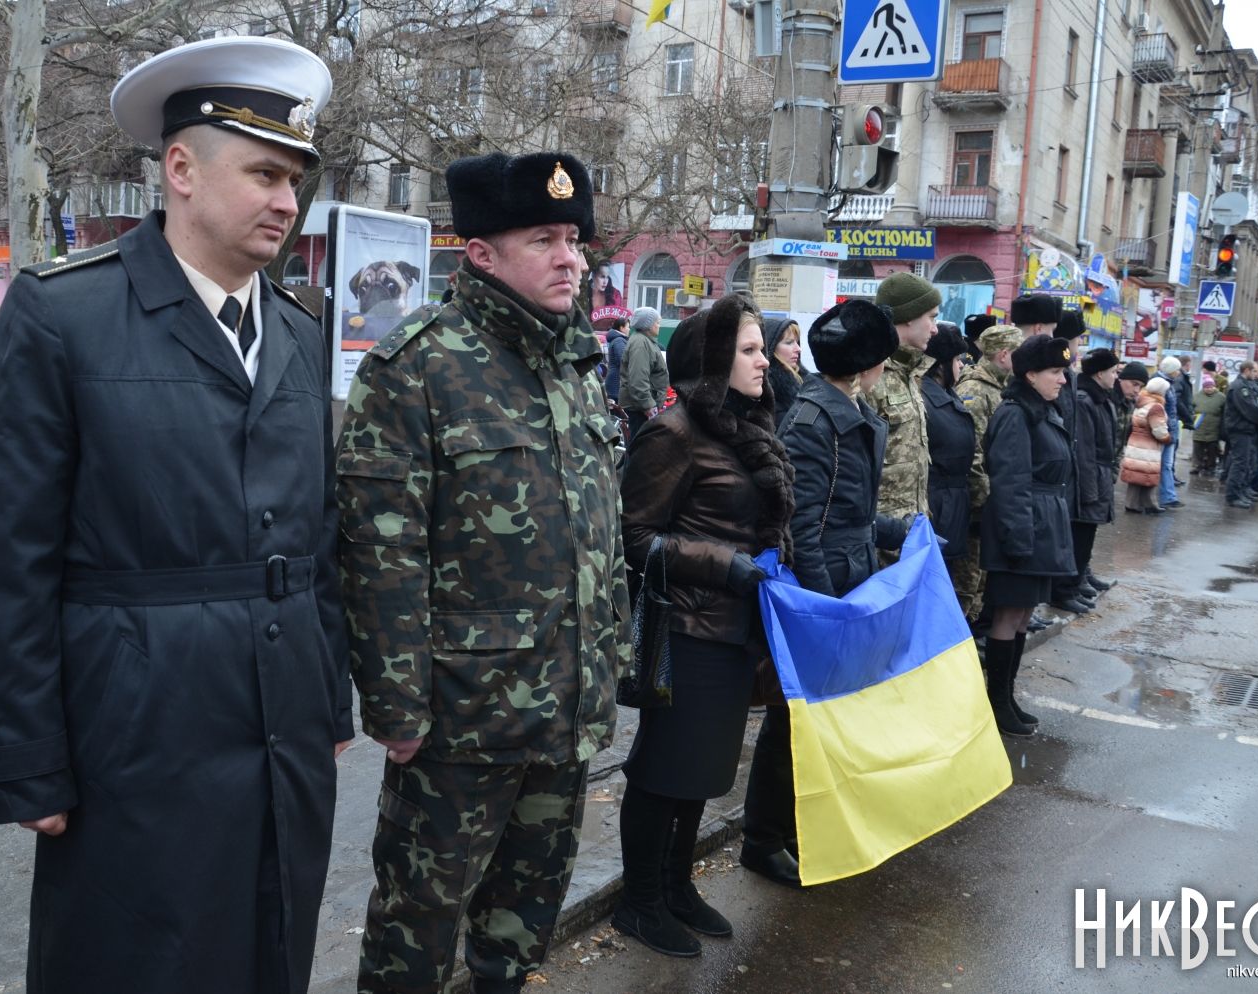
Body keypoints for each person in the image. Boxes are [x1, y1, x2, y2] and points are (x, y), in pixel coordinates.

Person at [0, 38, 350, 994]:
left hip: (281, 726)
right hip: (134, 732)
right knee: (136, 961)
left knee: (269, 950)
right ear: (180, 168)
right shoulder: (65, 315)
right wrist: (24, 760)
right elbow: (4, 557)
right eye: (264, 173)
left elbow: (320, 536)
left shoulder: (297, 331)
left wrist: (328, 695)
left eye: (294, 179)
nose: (287, 202)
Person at [336, 151, 625, 994]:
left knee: (523, 921)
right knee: (417, 927)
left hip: (565, 708)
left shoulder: (574, 364)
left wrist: (608, 664)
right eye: (545, 240)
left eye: (574, 240)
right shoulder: (417, 367)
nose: (571, 259)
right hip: (461, 722)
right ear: (482, 254)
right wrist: (396, 708)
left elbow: (599, 535)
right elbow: (380, 552)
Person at [615, 294, 794, 957]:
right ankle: (639, 901)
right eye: (748, 351)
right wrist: (726, 565)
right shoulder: (674, 432)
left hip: (734, 628)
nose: (763, 362)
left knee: (703, 771)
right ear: (713, 360)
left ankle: (676, 885)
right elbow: (635, 538)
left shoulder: (744, 426)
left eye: (761, 349)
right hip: (686, 630)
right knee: (665, 768)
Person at [741, 300, 904, 890]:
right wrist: (826, 611)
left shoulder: (851, 410)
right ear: (866, 364)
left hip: (849, 578)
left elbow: (851, 514)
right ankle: (763, 839)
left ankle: (796, 826)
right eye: (884, 359)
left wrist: (900, 532)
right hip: (825, 592)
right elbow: (801, 529)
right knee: (792, 718)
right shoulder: (814, 422)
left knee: (824, 716)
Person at [980, 335, 1078, 736]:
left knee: (1022, 616)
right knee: (1008, 614)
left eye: (1063, 371)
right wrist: (1019, 539)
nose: (1063, 380)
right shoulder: (1016, 414)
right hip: (1023, 526)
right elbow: (1010, 481)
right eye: (1055, 372)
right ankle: (996, 702)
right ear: (1030, 374)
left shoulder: (1041, 410)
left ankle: (1008, 695)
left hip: (1041, 525)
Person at [954, 324, 1025, 630]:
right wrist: (986, 500)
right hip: (978, 506)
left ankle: (976, 633)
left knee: (982, 578)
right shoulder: (975, 390)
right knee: (967, 581)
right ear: (1004, 355)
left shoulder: (1000, 387)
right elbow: (972, 452)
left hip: (993, 503)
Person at [868, 272, 941, 564]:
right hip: (880, 541)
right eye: (931, 317)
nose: (935, 328)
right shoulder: (871, 374)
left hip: (912, 535)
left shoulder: (909, 373)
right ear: (908, 317)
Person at [922, 324, 983, 589]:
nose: (961, 366)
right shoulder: (925, 398)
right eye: (957, 360)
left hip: (952, 505)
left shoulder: (947, 394)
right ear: (940, 364)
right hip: (938, 506)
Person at [1047, 309, 1095, 616]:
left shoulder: (1070, 373)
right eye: (1078, 338)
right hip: (1057, 464)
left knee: (1067, 532)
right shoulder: (1057, 372)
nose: (1080, 345)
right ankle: (1060, 590)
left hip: (1068, 461)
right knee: (1058, 534)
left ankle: (1068, 587)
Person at [1071, 349, 1121, 597]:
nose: (1116, 377)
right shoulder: (1085, 400)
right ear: (1100, 374)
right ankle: (1072, 584)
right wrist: (1089, 490)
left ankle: (1083, 574)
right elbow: (1085, 451)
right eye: (1113, 371)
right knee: (1081, 531)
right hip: (1090, 476)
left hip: (1100, 473)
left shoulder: (1100, 398)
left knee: (1089, 531)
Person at [1222, 361, 1258, 508]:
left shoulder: (1248, 385)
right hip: (1240, 429)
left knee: (1248, 462)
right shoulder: (1239, 387)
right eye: (1255, 371)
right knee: (1240, 463)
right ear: (1247, 370)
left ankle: (1241, 491)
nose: (1257, 374)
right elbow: (1250, 409)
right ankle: (1233, 495)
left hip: (1247, 429)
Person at [1121, 377, 1172, 514]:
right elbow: (1159, 430)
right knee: (1148, 475)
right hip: (1148, 445)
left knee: (1135, 475)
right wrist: (1167, 438)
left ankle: (1131, 503)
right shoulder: (1156, 406)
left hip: (1135, 442)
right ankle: (1150, 504)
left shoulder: (1141, 402)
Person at [620, 306, 668, 433]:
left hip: (642, 406)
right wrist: (648, 406)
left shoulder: (645, 341)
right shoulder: (641, 344)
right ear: (648, 325)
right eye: (657, 322)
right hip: (641, 409)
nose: (659, 326)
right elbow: (638, 379)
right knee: (640, 443)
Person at [762, 317, 806, 422]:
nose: (798, 349)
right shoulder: (767, 393)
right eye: (789, 342)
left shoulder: (805, 381)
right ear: (771, 347)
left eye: (797, 342)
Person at [1156, 356, 1184, 509]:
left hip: (1170, 430)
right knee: (1163, 465)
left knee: (1167, 464)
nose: (1178, 372)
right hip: (1163, 430)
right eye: (1177, 369)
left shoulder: (1170, 383)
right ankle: (1165, 497)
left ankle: (1169, 496)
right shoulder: (1160, 384)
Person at [1191, 375, 1226, 477]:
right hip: (1199, 426)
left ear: (1214, 387)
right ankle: (1197, 466)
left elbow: (1225, 412)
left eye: (1211, 387)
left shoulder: (1221, 397)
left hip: (1214, 428)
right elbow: (1191, 408)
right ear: (1203, 387)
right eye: (1206, 387)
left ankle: (1210, 467)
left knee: (1212, 449)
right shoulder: (1197, 396)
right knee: (1198, 448)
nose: (1209, 389)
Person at [604, 314, 630, 404]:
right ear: (622, 328)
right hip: (616, 382)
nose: (629, 329)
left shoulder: (617, 339)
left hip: (614, 381)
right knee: (617, 408)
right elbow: (622, 361)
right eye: (628, 327)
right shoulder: (619, 340)